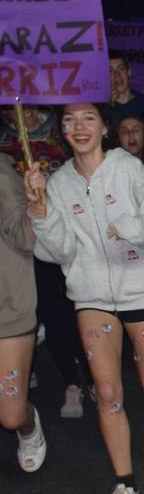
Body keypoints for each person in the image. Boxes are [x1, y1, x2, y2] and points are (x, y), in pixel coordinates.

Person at [25, 101, 144, 494]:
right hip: (91, 296)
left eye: (88, 118)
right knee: (108, 393)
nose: (79, 127)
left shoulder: (129, 168)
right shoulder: (57, 183)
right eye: (70, 120)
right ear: (61, 129)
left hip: (141, 289)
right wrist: (40, 213)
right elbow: (58, 253)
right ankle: (127, 487)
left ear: (104, 127)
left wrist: (129, 227)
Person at [1, 106, 93, 417]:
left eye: (28, 110)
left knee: (82, 310)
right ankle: (71, 382)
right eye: (15, 112)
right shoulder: (4, 144)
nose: (21, 117)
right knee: (54, 317)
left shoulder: (62, 129)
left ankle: (97, 376)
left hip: (72, 229)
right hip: (33, 241)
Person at [1, 152, 46, 475]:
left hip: (7, 310)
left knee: (12, 415)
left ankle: (28, 427)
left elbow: (26, 238)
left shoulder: (2, 174)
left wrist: (36, 205)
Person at [108, 55, 144, 124]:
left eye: (121, 69)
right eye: (110, 70)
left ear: (129, 72)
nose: (117, 75)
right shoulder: (101, 109)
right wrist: (109, 108)